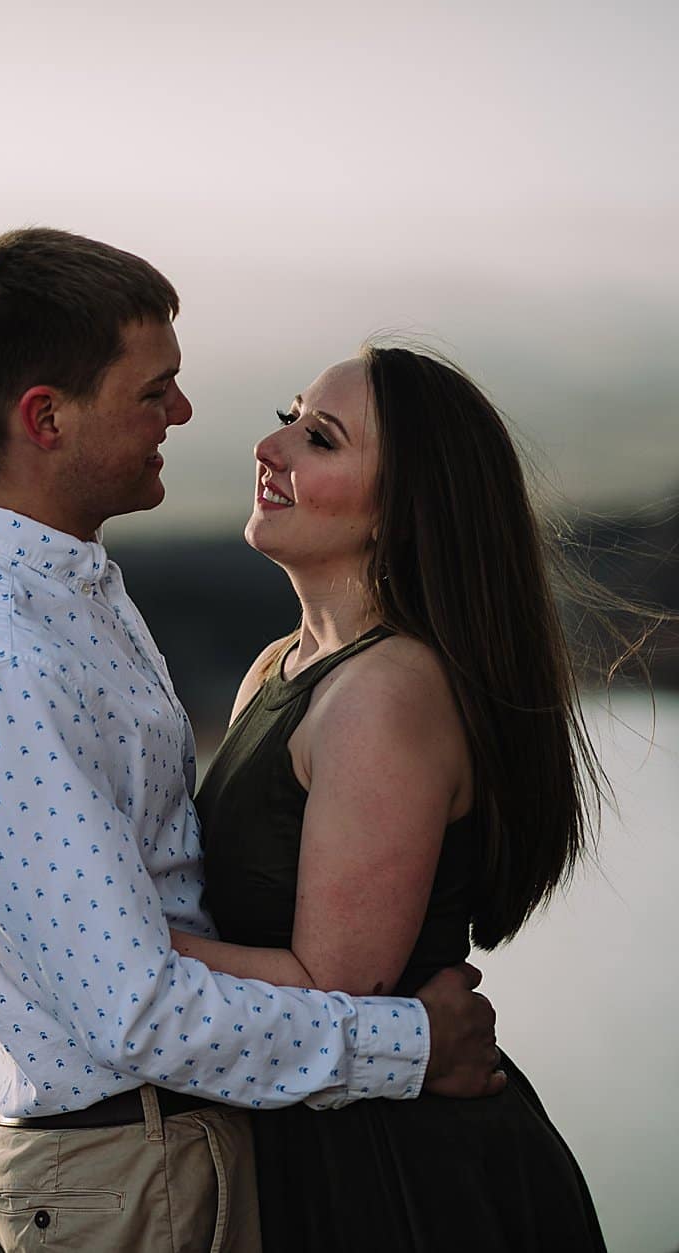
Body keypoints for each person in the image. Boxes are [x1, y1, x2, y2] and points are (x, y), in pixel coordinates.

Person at [0, 227, 503, 1253]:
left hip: (193, 1145)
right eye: (150, 389)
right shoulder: (1, 655)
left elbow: (165, 910)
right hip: (133, 1167)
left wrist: (58, 906)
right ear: (45, 417)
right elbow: (133, 1011)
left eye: (317, 434)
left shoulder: (59, 580)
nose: (185, 412)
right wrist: (413, 1045)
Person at [165, 344, 608, 1249]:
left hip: (395, 1172)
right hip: (310, 1132)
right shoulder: (279, 669)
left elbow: (335, 986)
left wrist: (99, 935)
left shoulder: (385, 691)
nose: (271, 445)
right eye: (288, 413)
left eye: (319, 439)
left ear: (401, 515)